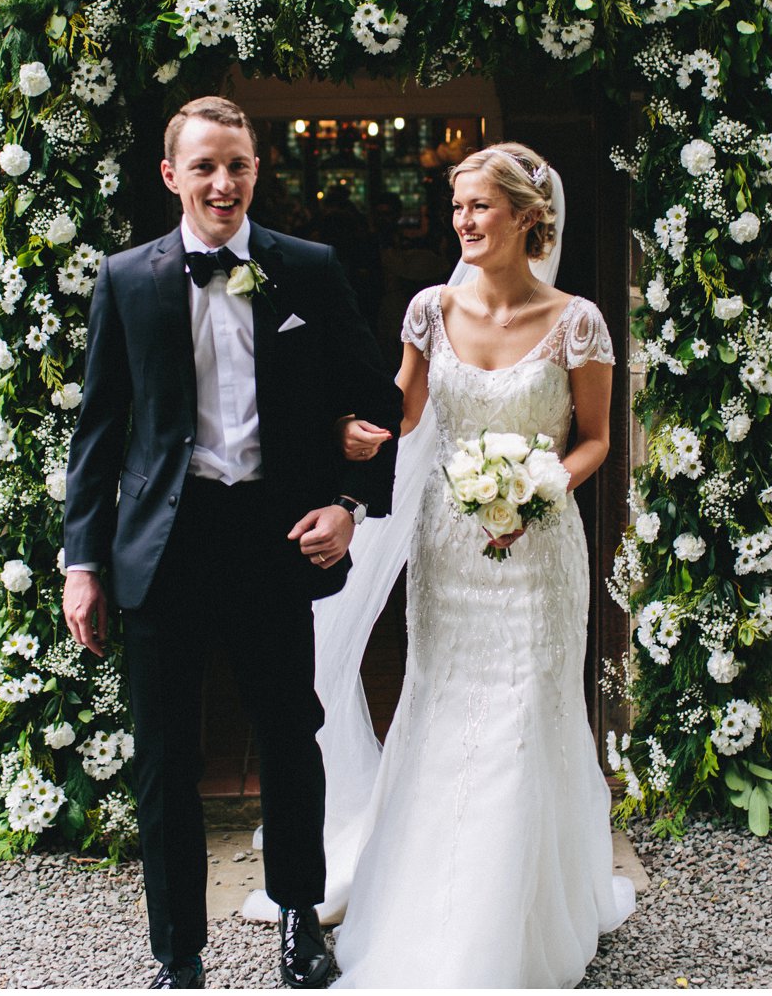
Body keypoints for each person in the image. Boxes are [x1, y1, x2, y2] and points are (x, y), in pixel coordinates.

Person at [61, 95, 402, 990]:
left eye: (239, 164)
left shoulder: (309, 269)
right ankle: (178, 954)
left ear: (257, 171)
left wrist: (349, 505)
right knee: (167, 757)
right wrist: (83, 562)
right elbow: (98, 432)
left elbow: (378, 401)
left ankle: (300, 917)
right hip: (164, 547)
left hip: (273, 536)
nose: (224, 182)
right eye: (205, 165)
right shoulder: (127, 279)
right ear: (171, 175)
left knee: (291, 735)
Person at [325, 142, 636, 987]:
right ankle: (428, 902)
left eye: (479, 207)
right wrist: (359, 431)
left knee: (525, 711)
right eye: (457, 205)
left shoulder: (579, 321)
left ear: (527, 218)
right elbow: (409, 410)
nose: (462, 220)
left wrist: (540, 489)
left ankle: (515, 918)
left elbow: (598, 438)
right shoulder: (429, 308)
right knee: (445, 701)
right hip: (450, 546)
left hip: (540, 552)